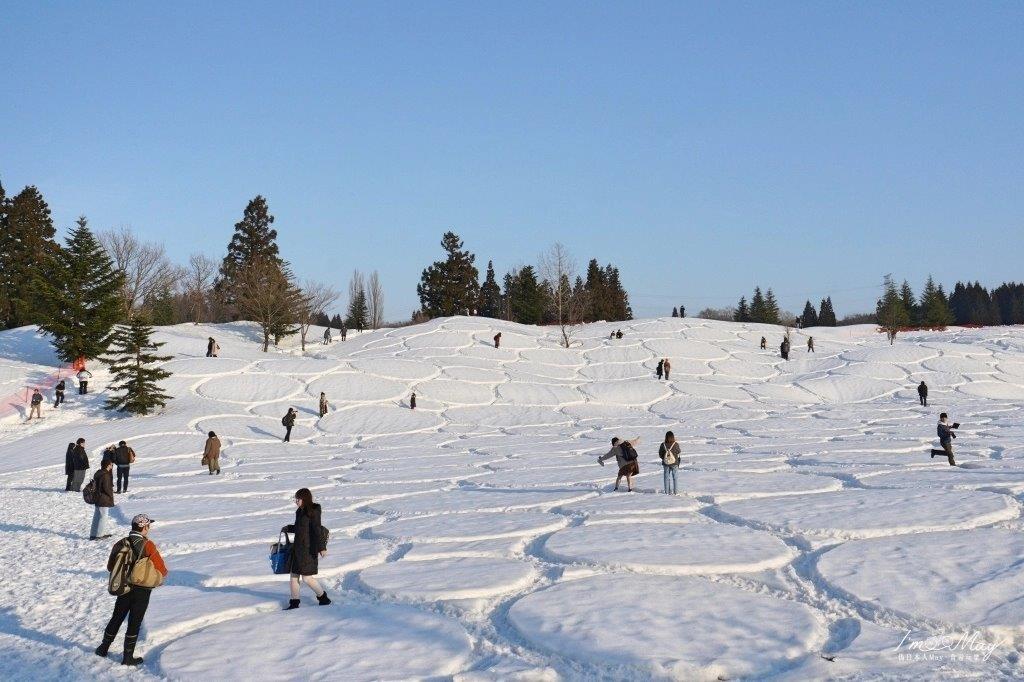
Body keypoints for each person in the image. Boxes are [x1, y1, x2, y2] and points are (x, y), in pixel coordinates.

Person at [94, 514, 168, 666]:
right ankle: (128, 657)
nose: (149, 528)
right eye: (149, 526)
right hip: (142, 590)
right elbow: (162, 569)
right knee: (134, 622)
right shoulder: (148, 545)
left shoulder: (120, 543)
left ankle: (103, 647)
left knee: (117, 617)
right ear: (144, 527)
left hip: (124, 587)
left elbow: (110, 567)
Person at [282, 488, 330, 609]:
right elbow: (301, 528)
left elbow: (317, 530)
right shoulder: (300, 511)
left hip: (308, 550)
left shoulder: (314, 511)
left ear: (304, 499)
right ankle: (294, 603)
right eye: (295, 499)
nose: (296, 501)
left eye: (298, 499)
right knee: (294, 576)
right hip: (298, 549)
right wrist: (289, 528)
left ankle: (323, 598)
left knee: (307, 578)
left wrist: (322, 548)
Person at [90, 458, 115, 540]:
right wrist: (111, 497)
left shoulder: (98, 473)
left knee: (97, 516)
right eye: (111, 464)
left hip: (97, 497)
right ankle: (99, 535)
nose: (112, 466)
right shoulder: (105, 474)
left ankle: (93, 534)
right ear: (108, 465)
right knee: (103, 517)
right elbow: (107, 488)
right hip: (103, 498)